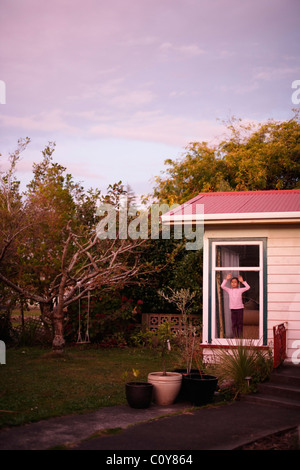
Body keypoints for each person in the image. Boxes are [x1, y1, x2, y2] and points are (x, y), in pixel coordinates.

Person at [221, 273, 250, 338]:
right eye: (232, 282)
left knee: (240, 323)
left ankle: (240, 337)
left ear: (238, 284)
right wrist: (226, 279)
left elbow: (248, 287)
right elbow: (222, 286)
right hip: (233, 309)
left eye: (235, 282)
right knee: (234, 324)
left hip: (240, 309)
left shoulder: (240, 290)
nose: (233, 283)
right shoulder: (229, 290)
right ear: (230, 283)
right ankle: (235, 336)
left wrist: (242, 281)